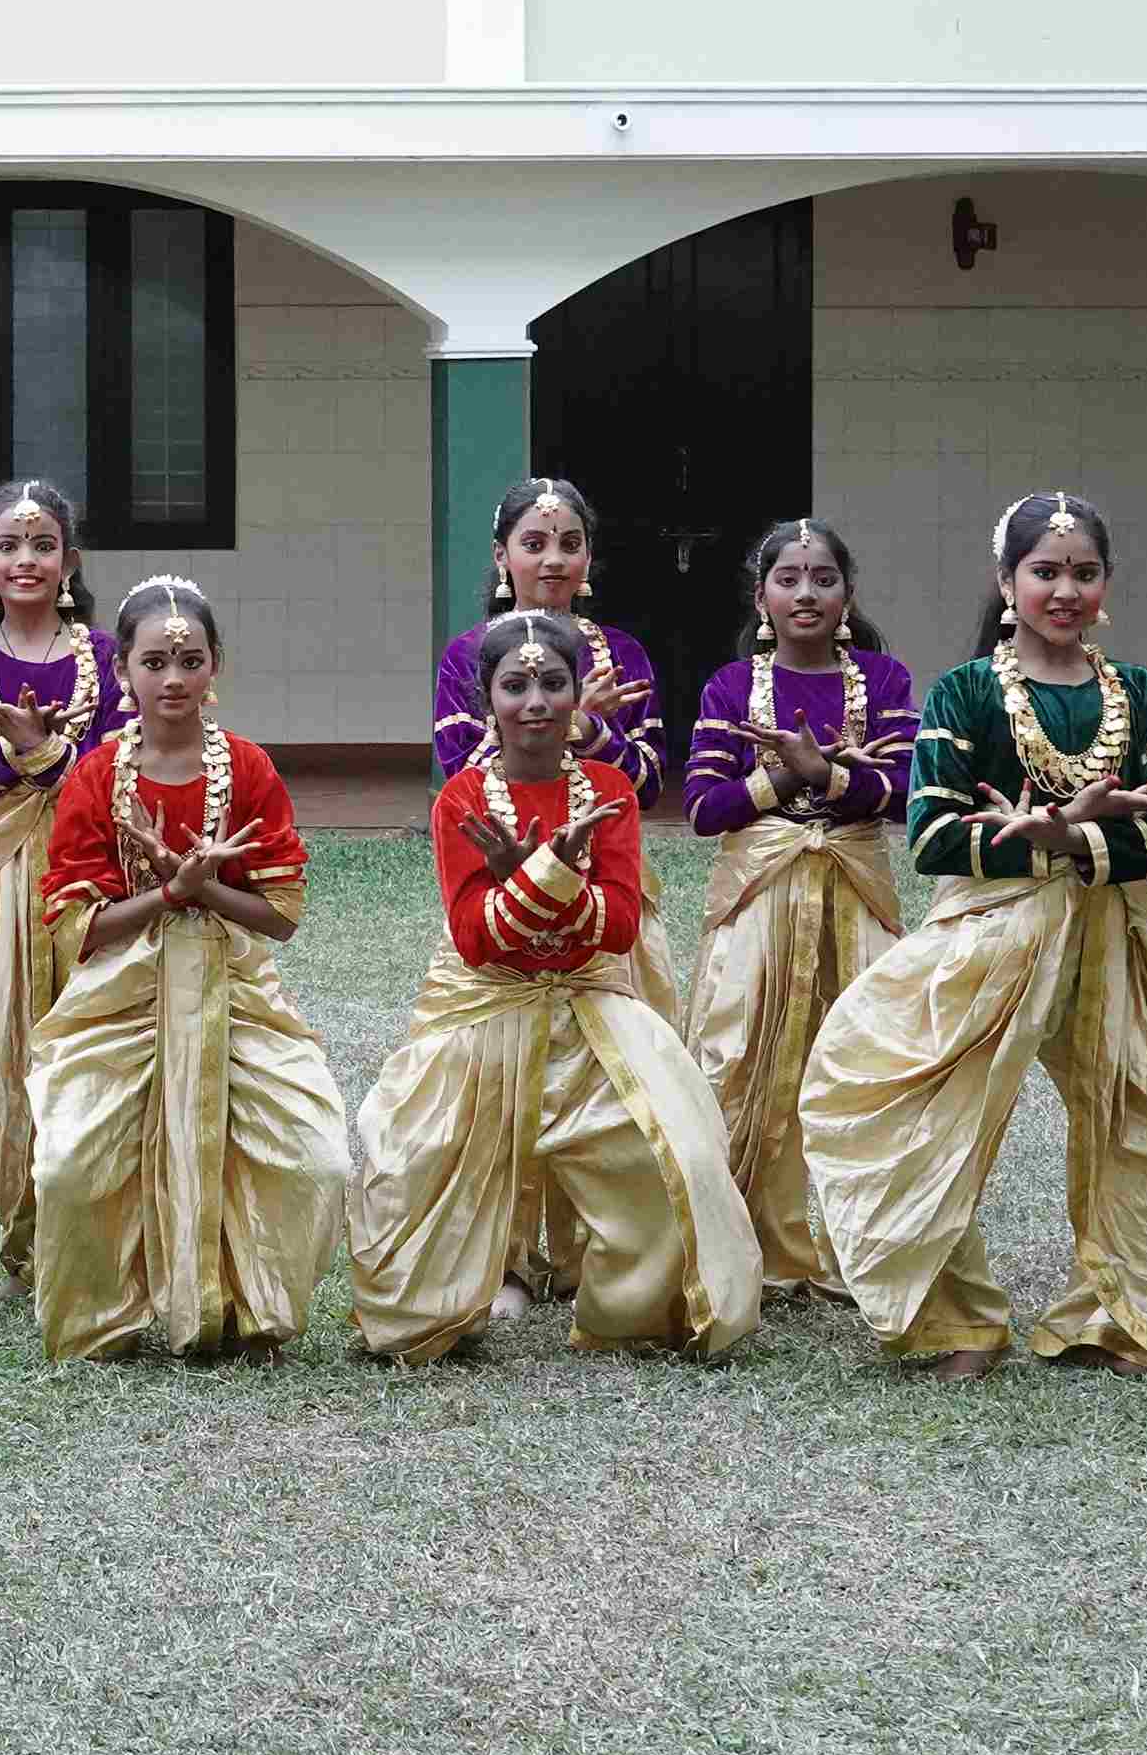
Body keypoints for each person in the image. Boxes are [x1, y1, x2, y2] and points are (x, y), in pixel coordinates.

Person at [799, 490, 1147, 1377]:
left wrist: (1075, 839)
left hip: (1115, 934)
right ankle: (957, 1322)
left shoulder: (1140, 694)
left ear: (1107, 584)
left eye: (1084, 572)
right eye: (1045, 571)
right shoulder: (967, 692)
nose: (1065, 591)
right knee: (915, 1104)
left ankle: (1124, 1316)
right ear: (1005, 580)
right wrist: (1048, 837)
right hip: (992, 932)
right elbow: (932, 835)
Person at [354, 610, 758, 1363]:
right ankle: (439, 1307)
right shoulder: (462, 799)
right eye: (516, 685)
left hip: (590, 1003)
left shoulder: (608, 789)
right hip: (483, 1007)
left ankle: (633, 1312)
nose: (535, 702)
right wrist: (556, 876)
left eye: (553, 683)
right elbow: (477, 938)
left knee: (678, 1155)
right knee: (413, 1161)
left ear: (578, 695)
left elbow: (620, 927)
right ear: (487, 699)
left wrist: (527, 877)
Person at [25, 579, 341, 1363]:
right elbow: (77, 926)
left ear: (215, 666)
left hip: (234, 986)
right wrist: (170, 893)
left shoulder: (249, 768)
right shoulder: (98, 775)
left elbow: (282, 915)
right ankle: (106, 1316)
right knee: (69, 1167)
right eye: (154, 662)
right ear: (123, 671)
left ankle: (251, 1311)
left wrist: (206, 891)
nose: (173, 678)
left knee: (316, 1157)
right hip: (124, 993)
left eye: (190, 661)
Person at [679, 519, 916, 1305]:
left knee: (871, 1066)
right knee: (740, 1064)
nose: (805, 593)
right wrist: (785, 779)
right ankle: (752, 1250)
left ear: (848, 595)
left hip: (856, 893)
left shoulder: (883, 680)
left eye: (823, 579)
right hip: (761, 900)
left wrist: (831, 778)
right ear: (762, 598)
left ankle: (867, 1256)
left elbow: (909, 794)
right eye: (788, 579)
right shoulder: (729, 687)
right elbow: (704, 809)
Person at [0, 479, 130, 1292]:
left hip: (89, 878)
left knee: (90, 1051)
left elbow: (125, 777)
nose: (27, 559)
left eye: (43, 545)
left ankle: (94, 1241)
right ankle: (25, 1251)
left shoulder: (110, 658)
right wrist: (11, 757)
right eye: (10, 546)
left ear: (70, 561)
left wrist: (46, 757)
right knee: (10, 1056)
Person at [434, 476, 671, 809]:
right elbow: (464, 783)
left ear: (588, 555)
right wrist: (574, 721)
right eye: (534, 545)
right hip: (501, 839)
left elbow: (648, 786)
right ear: (501, 555)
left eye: (570, 545)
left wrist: (590, 730)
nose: (555, 559)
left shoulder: (621, 652)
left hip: (603, 836)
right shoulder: (466, 655)